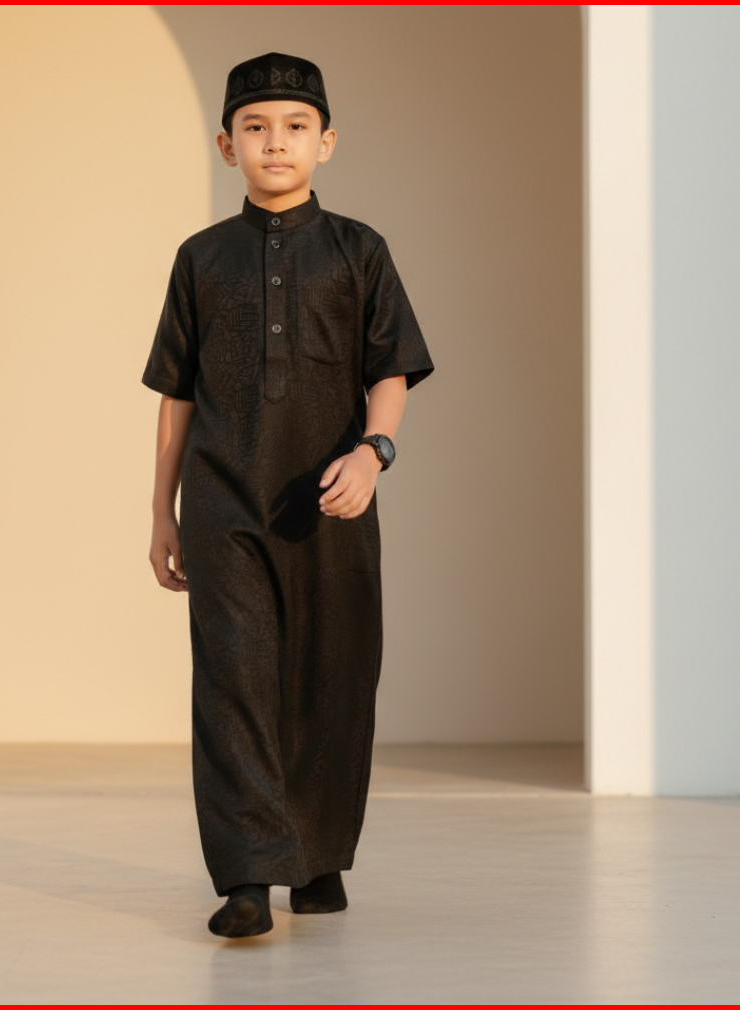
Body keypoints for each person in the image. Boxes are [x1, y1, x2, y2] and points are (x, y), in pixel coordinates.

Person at [142, 52, 434, 939]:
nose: (277, 142)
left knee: (331, 677)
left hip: (332, 506)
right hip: (223, 504)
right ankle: (246, 877)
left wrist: (373, 455)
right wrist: (160, 512)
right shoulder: (200, 259)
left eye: (296, 126)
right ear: (226, 145)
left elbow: (391, 371)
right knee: (232, 681)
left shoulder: (360, 250)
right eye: (257, 127)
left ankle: (316, 860)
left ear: (326, 142)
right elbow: (175, 395)